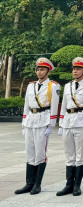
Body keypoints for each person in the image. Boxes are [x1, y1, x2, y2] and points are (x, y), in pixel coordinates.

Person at [15, 58, 60, 195]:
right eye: (38, 69)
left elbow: (54, 106)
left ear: (48, 71)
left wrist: (51, 125)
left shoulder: (53, 86)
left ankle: (37, 184)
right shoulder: (31, 85)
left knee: (40, 154)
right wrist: (24, 123)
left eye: (42, 70)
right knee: (29, 153)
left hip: (43, 120)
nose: (39, 72)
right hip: (30, 121)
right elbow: (26, 105)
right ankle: (29, 183)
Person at [57, 57, 83, 196]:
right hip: (68, 121)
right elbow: (63, 105)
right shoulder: (67, 86)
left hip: (82, 122)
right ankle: (68, 184)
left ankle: (77, 185)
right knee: (69, 155)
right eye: (74, 68)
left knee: (80, 155)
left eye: (78, 69)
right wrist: (61, 123)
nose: (75, 71)